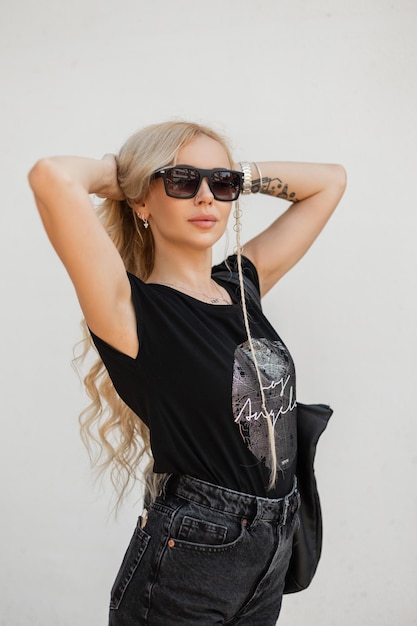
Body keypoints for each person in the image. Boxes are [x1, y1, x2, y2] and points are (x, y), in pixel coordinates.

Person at [28, 121, 346, 625]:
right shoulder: (133, 312)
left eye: (220, 184)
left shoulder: (241, 285)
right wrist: (127, 177)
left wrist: (238, 175)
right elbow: (53, 176)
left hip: (275, 542)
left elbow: (331, 181)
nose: (206, 197)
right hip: (194, 552)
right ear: (142, 202)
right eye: (181, 180)